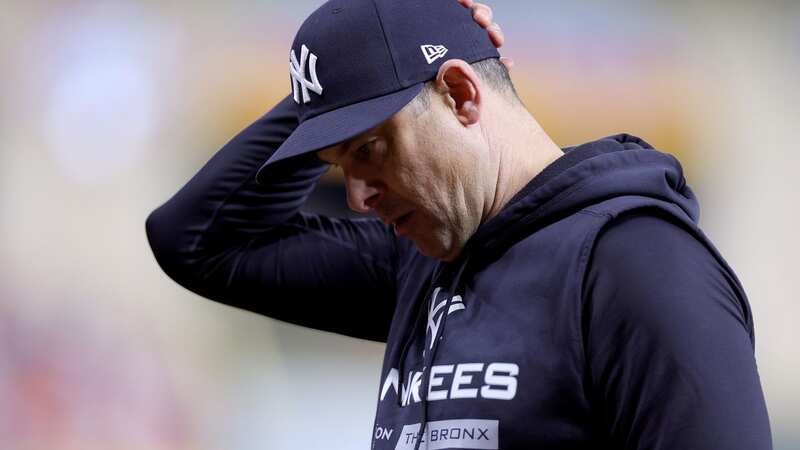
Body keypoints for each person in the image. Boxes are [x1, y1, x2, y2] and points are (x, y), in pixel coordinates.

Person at [145, 0, 773, 448]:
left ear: (461, 94)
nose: (357, 196)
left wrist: (380, 61)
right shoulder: (421, 262)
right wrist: (334, 84)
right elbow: (197, 242)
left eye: (367, 149)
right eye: (337, 163)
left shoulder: (637, 263)